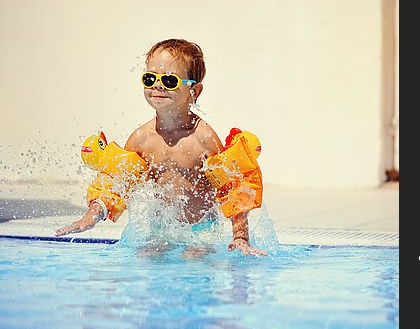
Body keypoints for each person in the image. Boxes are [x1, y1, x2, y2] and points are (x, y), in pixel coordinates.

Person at [56, 38, 267, 256]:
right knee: (148, 255)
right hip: (160, 230)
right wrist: (92, 216)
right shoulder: (141, 140)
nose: (157, 85)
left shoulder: (203, 138)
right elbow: (115, 185)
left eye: (169, 80)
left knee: (196, 257)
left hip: (200, 231)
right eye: (150, 78)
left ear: (194, 90)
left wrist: (240, 237)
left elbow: (232, 187)